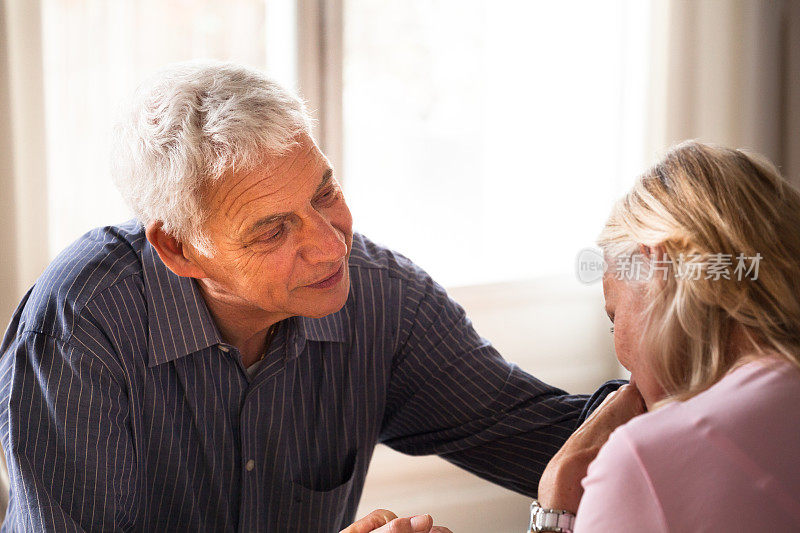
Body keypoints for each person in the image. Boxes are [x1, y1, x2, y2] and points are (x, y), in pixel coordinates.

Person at [0, 61, 628, 532]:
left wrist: (679, 366)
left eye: (324, 193)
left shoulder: (384, 301)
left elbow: (547, 442)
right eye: (272, 228)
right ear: (179, 249)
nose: (331, 246)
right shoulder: (78, 326)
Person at [536, 142, 800, 532]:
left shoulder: (645, 460)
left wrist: (555, 510)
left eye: (615, 318)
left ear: (658, 267)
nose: (626, 378)